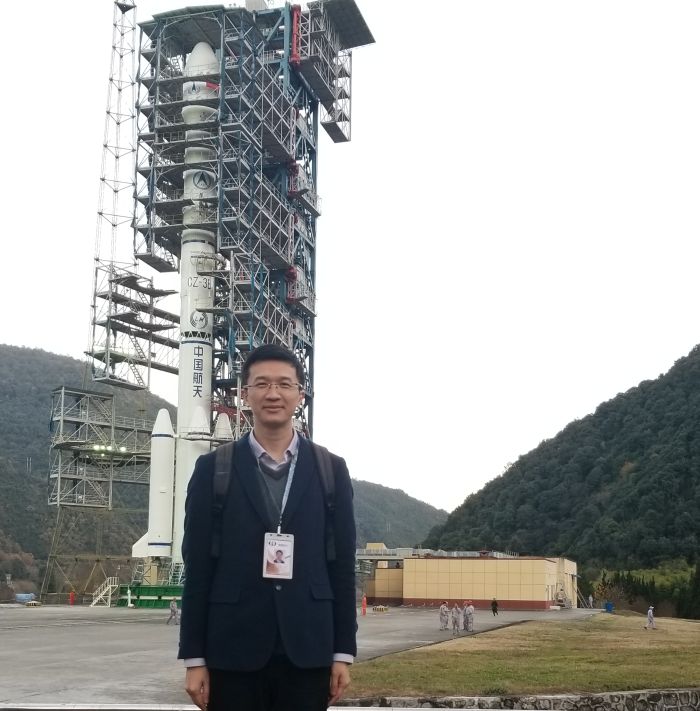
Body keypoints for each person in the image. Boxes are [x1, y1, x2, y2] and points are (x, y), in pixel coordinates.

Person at [178, 344, 357, 711]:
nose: (273, 393)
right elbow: (197, 568)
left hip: (309, 650)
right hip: (232, 650)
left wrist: (343, 652)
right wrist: (194, 658)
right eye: (261, 384)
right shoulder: (214, 470)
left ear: (300, 395)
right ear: (246, 394)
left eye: (284, 384)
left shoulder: (330, 470)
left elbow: (342, 567)